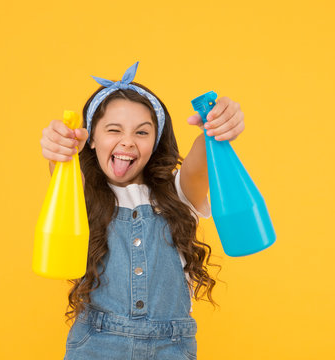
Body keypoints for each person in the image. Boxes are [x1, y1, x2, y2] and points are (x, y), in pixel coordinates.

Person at [40, 62, 245, 360]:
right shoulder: (79, 192)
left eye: (142, 132)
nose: (127, 141)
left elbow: (202, 161)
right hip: (96, 345)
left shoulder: (179, 193)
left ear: (155, 140)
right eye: (114, 129)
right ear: (91, 138)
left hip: (170, 348)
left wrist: (217, 128)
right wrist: (60, 147)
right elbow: (61, 169)